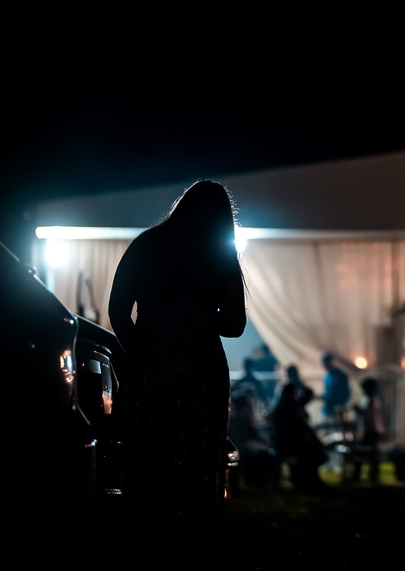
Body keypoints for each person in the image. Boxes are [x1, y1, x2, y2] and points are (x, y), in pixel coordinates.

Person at [107, 180, 246, 541]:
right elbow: (234, 325)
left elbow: (117, 311)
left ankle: (145, 538)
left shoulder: (146, 245)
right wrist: (197, 319)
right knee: (197, 460)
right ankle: (191, 542)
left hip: (150, 366)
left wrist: (142, 348)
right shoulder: (219, 254)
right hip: (202, 368)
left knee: (149, 454)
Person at [270, 371, 329, 493]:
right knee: (313, 454)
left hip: (289, 444)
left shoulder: (283, 407)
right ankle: (307, 482)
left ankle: (306, 481)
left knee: (312, 452)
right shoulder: (290, 408)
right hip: (291, 445)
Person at [351, 378, 386, 483]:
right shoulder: (371, 399)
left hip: (372, 431)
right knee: (366, 453)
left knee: (361, 451)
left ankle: (358, 475)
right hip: (372, 431)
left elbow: (368, 416)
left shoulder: (372, 399)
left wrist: (358, 410)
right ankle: (367, 475)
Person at [321, 352, 351, 420]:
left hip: (339, 410)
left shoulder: (341, 375)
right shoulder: (327, 377)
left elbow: (346, 392)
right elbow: (328, 393)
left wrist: (341, 405)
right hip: (329, 410)